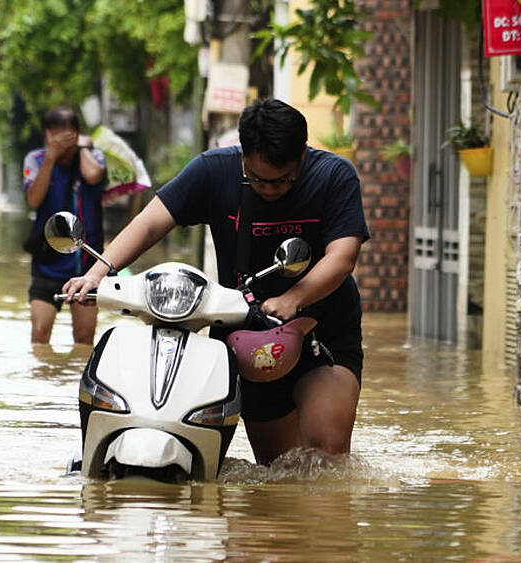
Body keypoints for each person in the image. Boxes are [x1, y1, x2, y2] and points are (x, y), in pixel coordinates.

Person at [60, 98, 370, 465]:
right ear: (243, 156)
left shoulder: (334, 176)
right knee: (278, 471)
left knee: (325, 455)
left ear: (302, 155)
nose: (270, 189)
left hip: (321, 329)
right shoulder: (213, 170)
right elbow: (151, 222)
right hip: (246, 334)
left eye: (283, 180)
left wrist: (294, 298)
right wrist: (98, 271)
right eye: (257, 179)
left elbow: (343, 256)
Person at [24, 106, 107, 348]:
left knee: (84, 341)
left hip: (86, 264)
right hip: (48, 263)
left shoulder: (93, 156)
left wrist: (81, 148)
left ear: (77, 133)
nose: (61, 141)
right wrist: (51, 157)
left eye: (67, 135)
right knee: (40, 337)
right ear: (47, 134)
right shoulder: (36, 160)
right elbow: (33, 199)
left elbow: (94, 176)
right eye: (55, 135)